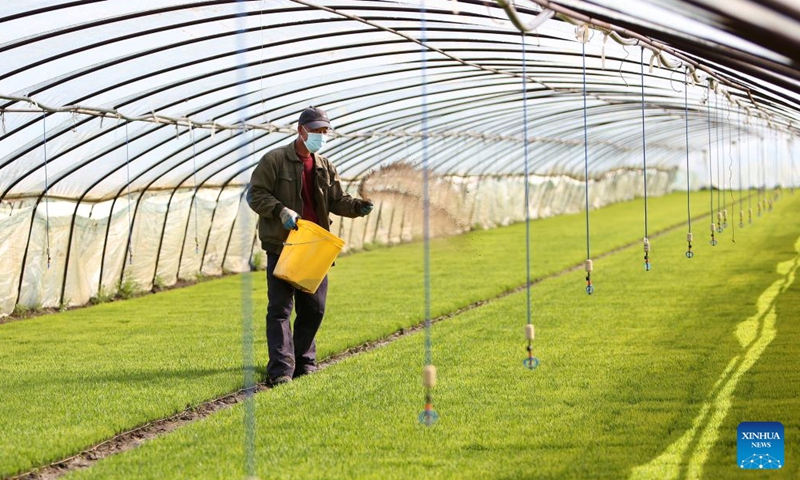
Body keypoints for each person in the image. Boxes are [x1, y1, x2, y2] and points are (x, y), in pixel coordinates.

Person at [247, 106, 373, 386]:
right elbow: (255, 195)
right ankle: (281, 369)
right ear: (300, 130)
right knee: (280, 308)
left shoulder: (324, 165)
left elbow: (337, 200)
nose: (320, 135)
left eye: (324, 130)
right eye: (315, 130)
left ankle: (304, 361)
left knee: (314, 308)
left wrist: (357, 207)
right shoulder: (274, 160)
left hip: (315, 246)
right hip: (283, 245)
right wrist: (280, 211)